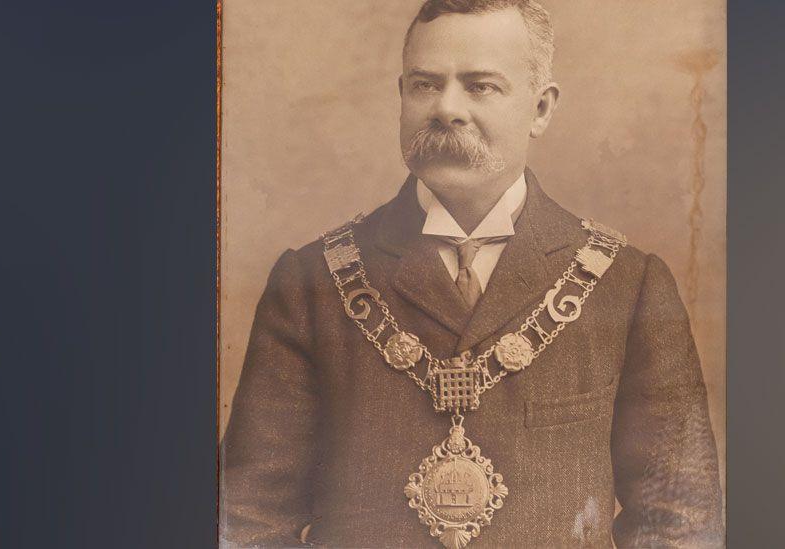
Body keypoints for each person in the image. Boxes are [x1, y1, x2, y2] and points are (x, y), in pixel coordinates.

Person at [221, 1, 724, 547]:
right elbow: (249, 522)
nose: (446, 108)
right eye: (425, 85)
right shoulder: (310, 284)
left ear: (541, 109)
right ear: (402, 97)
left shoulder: (628, 287)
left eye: (480, 85)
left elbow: (680, 523)